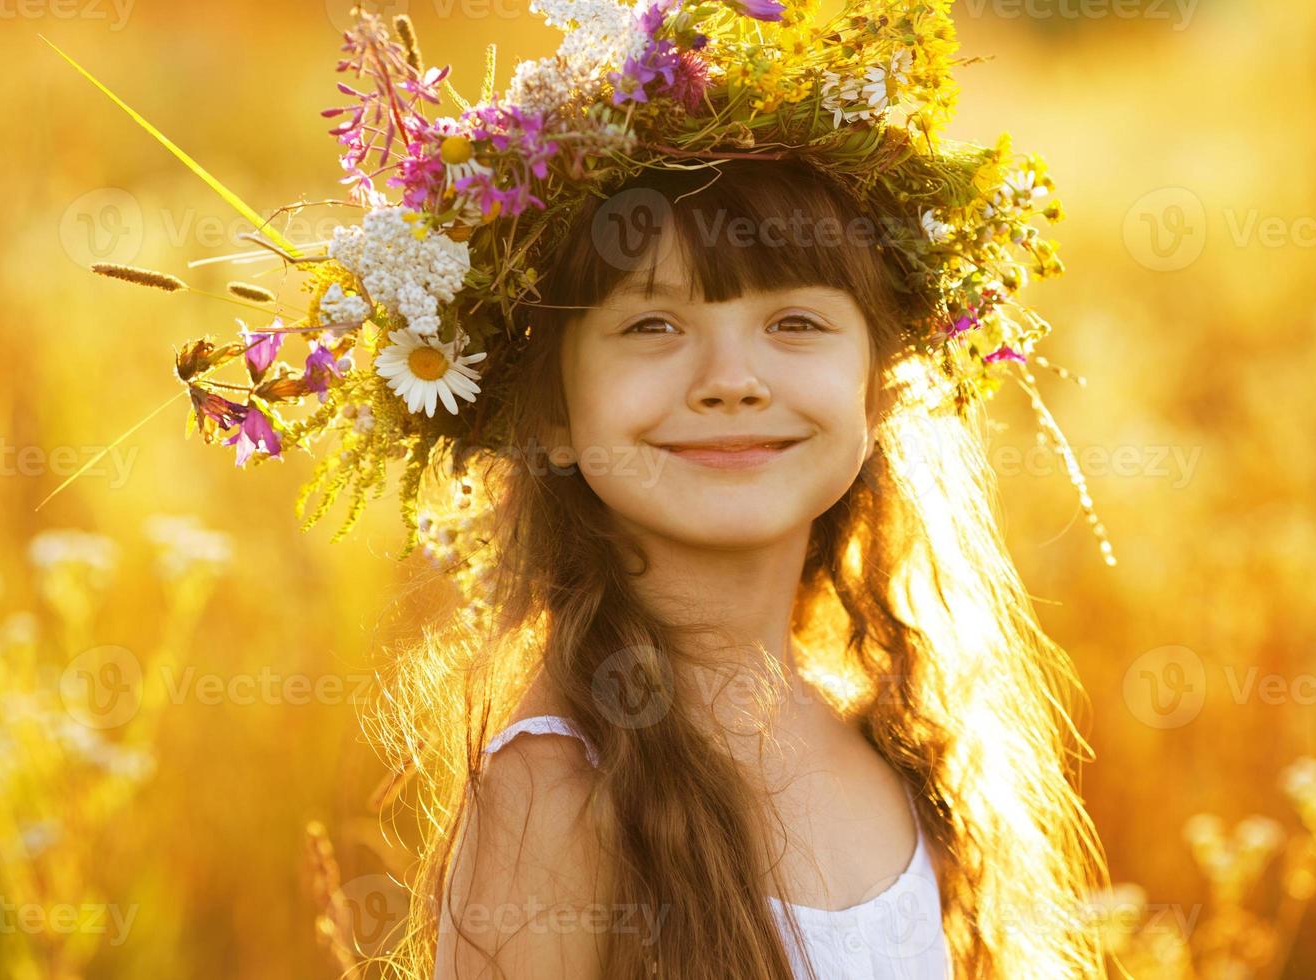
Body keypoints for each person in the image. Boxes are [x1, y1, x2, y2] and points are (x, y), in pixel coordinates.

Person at [376, 158, 1111, 979]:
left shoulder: (891, 741)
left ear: (877, 393)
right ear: (551, 414)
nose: (732, 382)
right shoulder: (556, 790)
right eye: (652, 324)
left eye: (795, 321)